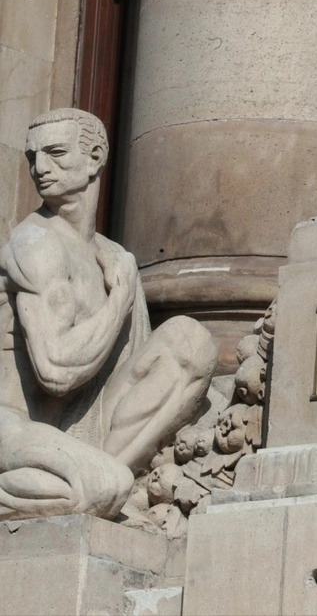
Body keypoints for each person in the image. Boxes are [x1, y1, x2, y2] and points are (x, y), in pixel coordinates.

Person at [0, 108, 215, 520]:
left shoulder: (116, 257)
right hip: (12, 425)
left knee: (190, 343)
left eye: (56, 153)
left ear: (95, 157)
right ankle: (102, 481)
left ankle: (109, 475)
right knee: (97, 487)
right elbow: (56, 371)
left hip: (81, 428)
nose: (40, 168)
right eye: (32, 157)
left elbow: (130, 368)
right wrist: (119, 298)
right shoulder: (34, 244)